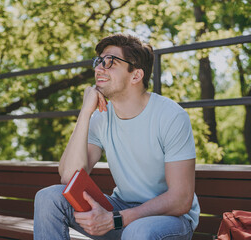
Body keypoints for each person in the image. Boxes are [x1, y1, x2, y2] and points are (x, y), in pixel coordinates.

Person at [34, 33, 200, 240]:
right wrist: (85, 113)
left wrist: (117, 219)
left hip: (170, 220)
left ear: (136, 76)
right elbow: (69, 177)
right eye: (99, 61)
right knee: (48, 198)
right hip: (121, 210)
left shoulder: (171, 116)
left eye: (110, 62)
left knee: (137, 231)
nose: (99, 68)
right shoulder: (101, 117)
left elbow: (180, 199)